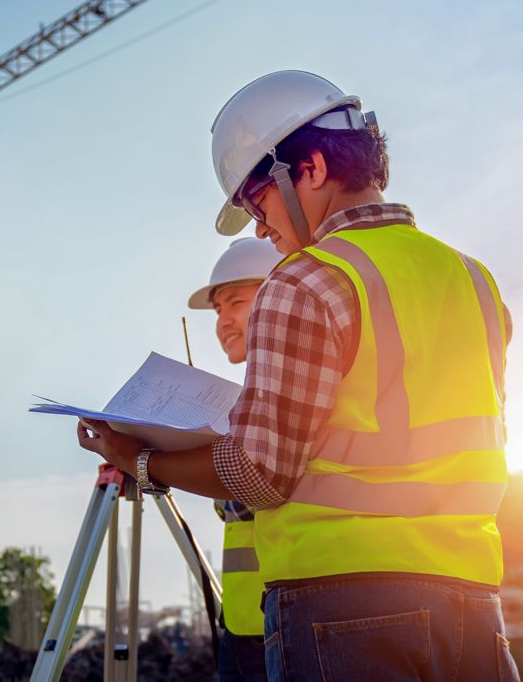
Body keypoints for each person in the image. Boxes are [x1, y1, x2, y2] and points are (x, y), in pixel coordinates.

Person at [77, 71, 519, 681]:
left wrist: (140, 460)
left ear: (307, 168)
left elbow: (259, 472)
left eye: (257, 204)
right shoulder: (476, 281)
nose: (261, 229)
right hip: (472, 602)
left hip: (344, 606)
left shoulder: (305, 280)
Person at [187, 237, 282, 682]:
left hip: (287, 626)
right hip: (242, 626)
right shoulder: (239, 407)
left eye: (236, 303)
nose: (223, 321)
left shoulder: (287, 396)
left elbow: (258, 488)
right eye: (218, 310)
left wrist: (151, 460)